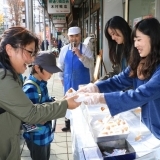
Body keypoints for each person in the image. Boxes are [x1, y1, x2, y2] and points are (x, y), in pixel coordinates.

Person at [0, 26, 80, 160]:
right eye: (29, 52)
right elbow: (31, 113)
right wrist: (65, 104)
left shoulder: (12, 75)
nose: (32, 59)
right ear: (9, 50)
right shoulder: (3, 79)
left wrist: (62, 102)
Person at [77, 17, 160, 140]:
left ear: (153, 39)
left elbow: (141, 94)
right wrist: (95, 87)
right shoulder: (141, 61)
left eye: (139, 40)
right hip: (149, 128)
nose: (135, 44)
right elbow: (119, 80)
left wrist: (101, 98)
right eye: (134, 40)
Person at [22, 52, 61, 160]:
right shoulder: (31, 89)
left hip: (44, 136)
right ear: (37, 68)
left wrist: (54, 102)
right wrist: (54, 109)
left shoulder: (41, 83)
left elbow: (45, 104)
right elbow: (34, 118)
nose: (52, 74)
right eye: (49, 70)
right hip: (37, 139)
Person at [58, 26, 94, 131]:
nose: (74, 39)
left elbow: (91, 64)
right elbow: (60, 65)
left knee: (82, 101)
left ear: (80, 36)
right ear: (68, 37)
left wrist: (80, 55)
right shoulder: (64, 50)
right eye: (72, 36)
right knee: (68, 101)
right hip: (68, 80)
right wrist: (61, 78)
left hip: (82, 81)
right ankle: (67, 124)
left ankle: (83, 123)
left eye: (76, 36)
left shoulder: (85, 49)